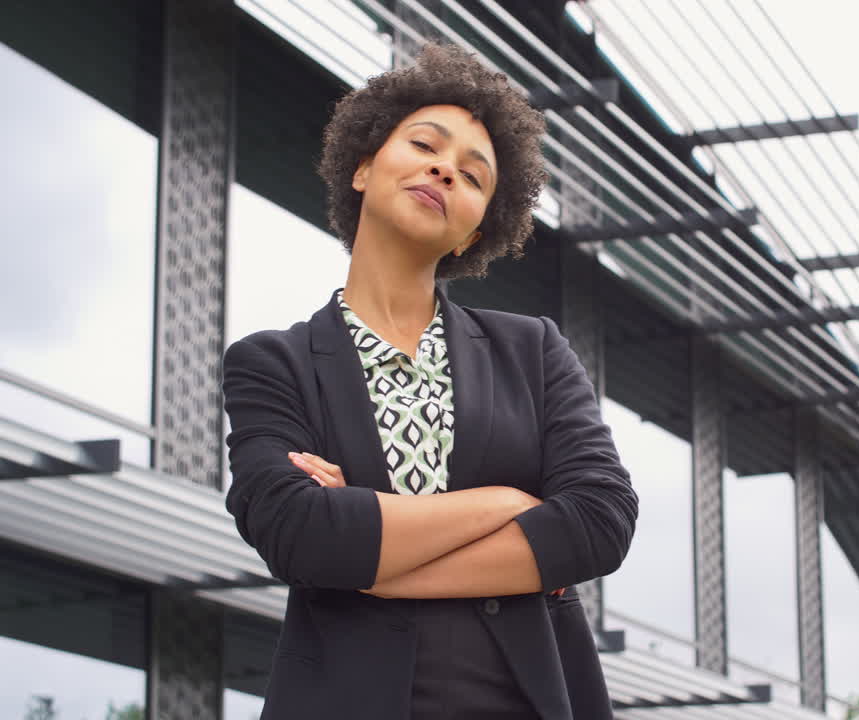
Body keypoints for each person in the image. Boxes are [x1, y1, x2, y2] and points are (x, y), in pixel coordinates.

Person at [221, 41, 638, 720]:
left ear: (476, 233)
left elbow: (599, 521)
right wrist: (507, 500)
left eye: (474, 177)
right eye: (424, 145)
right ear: (361, 167)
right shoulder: (273, 364)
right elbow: (297, 533)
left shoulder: (532, 350)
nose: (446, 170)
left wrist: (377, 571)